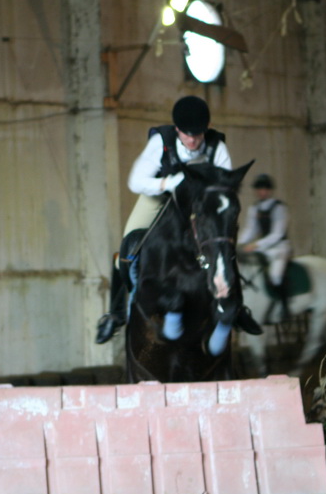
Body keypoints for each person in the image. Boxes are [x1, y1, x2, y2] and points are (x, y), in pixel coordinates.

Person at [96, 95, 263, 344]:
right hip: (160, 198)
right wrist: (167, 183)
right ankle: (116, 314)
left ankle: (236, 308)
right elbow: (135, 181)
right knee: (128, 246)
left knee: (223, 245)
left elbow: (224, 186)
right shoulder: (161, 142)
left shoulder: (217, 147)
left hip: (198, 204)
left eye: (198, 134)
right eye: (187, 134)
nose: (193, 140)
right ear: (177, 129)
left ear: (206, 128)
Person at [239, 173, 292, 323]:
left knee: (275, 275)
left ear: (269, 190)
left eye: (265, 189)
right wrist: (239, 243)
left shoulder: (279, 207)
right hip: (263, 248)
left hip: (279, 247)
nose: (262, 192)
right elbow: (250, 230)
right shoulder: (254, 208)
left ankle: (283, 306)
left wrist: (256, 245)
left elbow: (277, 233)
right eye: (259, 189)